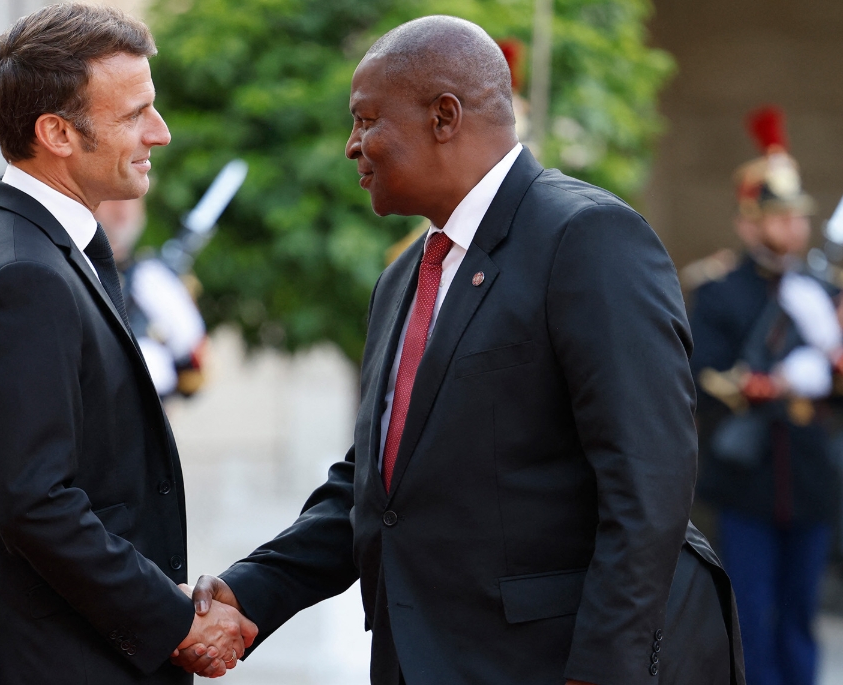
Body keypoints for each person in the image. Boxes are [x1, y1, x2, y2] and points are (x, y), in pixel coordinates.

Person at [178, 16, 744, 684]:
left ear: (444, 115)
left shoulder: (587, 239)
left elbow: (649, 481)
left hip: (554, 663)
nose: (352, 146)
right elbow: (380, 488)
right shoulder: (405, 276)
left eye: (365, 121)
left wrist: (601, 671)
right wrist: (250, 593)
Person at [0, 5, 256, 684]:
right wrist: (176, 622)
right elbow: (36, 502)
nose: (159, 134)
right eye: (135, 113)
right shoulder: (23, 271)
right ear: (56, 133)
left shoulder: (16, 241)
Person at [690, 105, 839, 685]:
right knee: (749, 612)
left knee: (801, 612)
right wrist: (758, 385)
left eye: (797, 218)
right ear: (749, 222)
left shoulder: (826, 291)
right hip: (748, 474)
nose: (792, 229)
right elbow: (703, 375)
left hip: (810, 472)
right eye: (778, 218)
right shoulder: (721, 292)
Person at [95, 198, 208, 398]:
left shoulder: (152, 275)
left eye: (133, 200)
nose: (123, 208)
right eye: (113, 198)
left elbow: (192, 381)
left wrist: (180, 348)